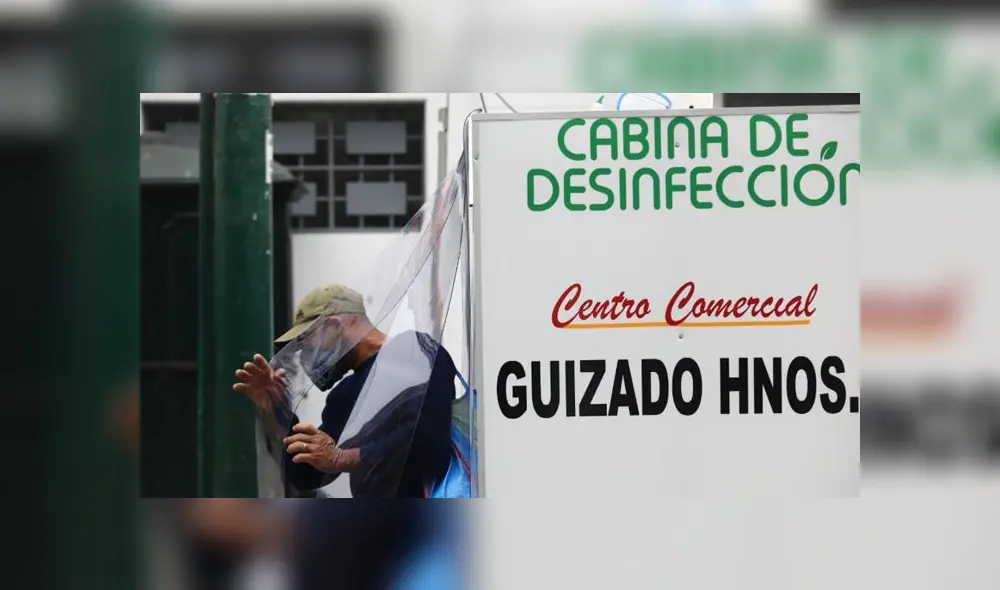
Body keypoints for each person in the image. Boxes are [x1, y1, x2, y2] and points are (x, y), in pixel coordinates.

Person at [233, 284, 456, 498]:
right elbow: (308, 475)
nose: (305, 356)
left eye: (307, 342)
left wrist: (345, 457)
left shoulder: (414, 350)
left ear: (334, 326)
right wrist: (277, 408)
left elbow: (429, 440)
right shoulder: (344, 395)